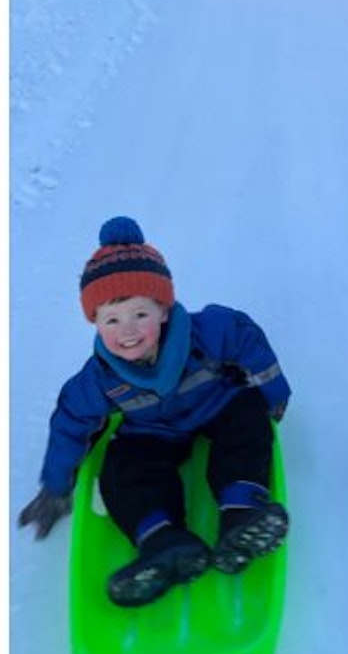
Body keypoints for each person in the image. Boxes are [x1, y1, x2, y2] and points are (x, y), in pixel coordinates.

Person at [18, 216, 292, 607]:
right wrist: (56, 486)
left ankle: (242, 514)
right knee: (122, 466)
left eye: (140, 315)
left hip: (217, 404)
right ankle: (163, 540)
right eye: (112, 320)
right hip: (153, 432)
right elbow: (70, 423)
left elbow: (247, 339)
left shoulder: (209, 331)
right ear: (95, 324)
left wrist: (273, 394)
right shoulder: (99, 379)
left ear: (164, 309)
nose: (127, 331)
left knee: (247, 419)